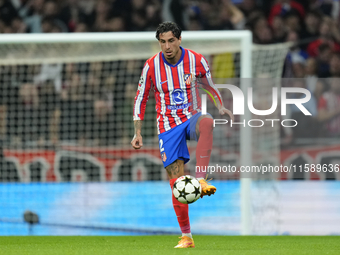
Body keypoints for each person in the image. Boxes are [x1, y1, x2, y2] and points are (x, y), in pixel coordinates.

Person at [131, 21, 233, 248]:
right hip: (167, 127)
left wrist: (221, 105)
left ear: (179, 40)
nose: (166, 46)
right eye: (162, 42)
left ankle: (201, 179)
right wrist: (137, 132)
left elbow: (210, 85)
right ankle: (187, 236)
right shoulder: (151, 66)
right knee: (176, 185)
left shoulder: (196, 60)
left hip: (190, 117)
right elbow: (140, 99)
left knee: (207, 122)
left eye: (170, 41)